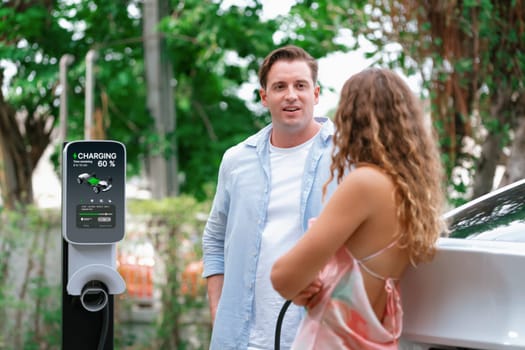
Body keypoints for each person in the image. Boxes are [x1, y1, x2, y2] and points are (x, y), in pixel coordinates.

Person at [271, 68, 447, 349]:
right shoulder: (410, 195)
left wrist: (300, 287)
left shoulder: (365, 184)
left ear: (351, 120)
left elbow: (284, 277)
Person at [201, 45, 337, 349]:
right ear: (264, 97)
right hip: (242, 340)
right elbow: (214, 241)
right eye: (279, 87)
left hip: (320, 336)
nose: (291, 95)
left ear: (316, 93)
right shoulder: (236, 161)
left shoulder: (346, 157)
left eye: (300, 85)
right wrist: (218, 313)